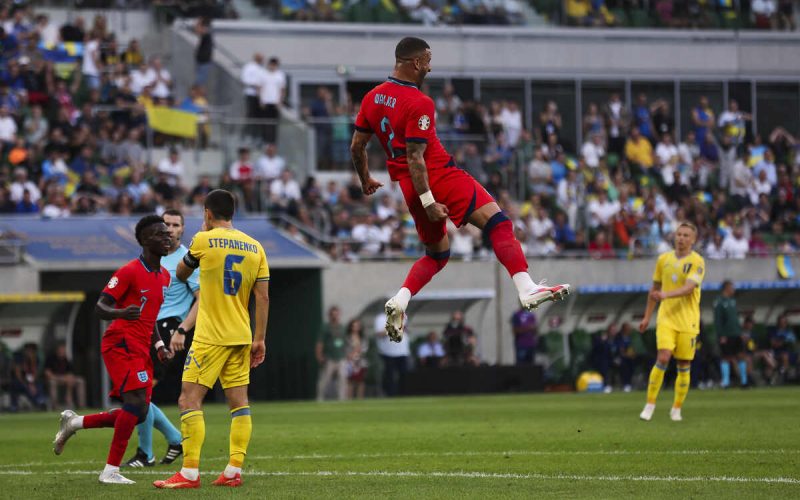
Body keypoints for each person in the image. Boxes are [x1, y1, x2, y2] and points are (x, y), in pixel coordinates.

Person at [350, 37, 569, 343]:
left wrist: (365, 180)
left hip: (408, 187)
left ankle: (401, 299)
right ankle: (526, 288)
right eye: (427, 59)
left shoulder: (372, 97)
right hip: (437, 175)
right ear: (415, 63)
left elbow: (357, 146)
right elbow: (416, 157)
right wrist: (429, 201)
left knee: (437, 255)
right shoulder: (419, 102)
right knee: (499, 223)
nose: (430, 65)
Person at [154, 189, 269, 489]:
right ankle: (233, 469)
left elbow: (180, 274)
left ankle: (189, 472)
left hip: (210, 336)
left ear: (207, 213)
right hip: (242, 334)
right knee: (239, 404)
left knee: (188, 399)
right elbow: (263, 297)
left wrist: (200, 242)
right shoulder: (256, 246)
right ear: (232, 213)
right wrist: (260, 339)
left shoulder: (202, 240)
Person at [52, 215, 173, 484]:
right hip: (120, 341)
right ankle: (110, 471)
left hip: (141, 346)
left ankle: (75, 423)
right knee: (135, 403)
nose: (167, 237)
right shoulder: (129, 271)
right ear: (143, 240)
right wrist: (120, 312)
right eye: (159, 234)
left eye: (168, 234)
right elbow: (100, 306)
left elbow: (149, 317)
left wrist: (160, 344)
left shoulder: (164, 276)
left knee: (140, 411)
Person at [123, 209, 200, 468]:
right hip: (146, 328)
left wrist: (182, 330)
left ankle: (150, 451)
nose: (169, 229)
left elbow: (202, 300)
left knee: (140, 391)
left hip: (167, 329)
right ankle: (168, 442)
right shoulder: (153, 257)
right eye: (165, 224)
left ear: (182, 229)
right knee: (139, 392)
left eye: (175, 225)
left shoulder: (186, 259)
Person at [638, 222, 705, 422]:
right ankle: (649, 404)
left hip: (688, 320)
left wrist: (665, 294)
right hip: (666, 317)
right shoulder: (663, 260)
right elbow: (654, 289)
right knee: (664, 357)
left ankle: (676, 408)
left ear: (693, 239)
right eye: (679, 234)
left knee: (684, 364)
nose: (681, 238)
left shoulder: (697, 261)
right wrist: (647, 316)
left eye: (686, 235)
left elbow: (689, 288)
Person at [714, 280, 748, 389]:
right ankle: (726, 382)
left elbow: (736, 319)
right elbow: (718, 320)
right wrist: (721, 334)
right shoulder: (719, 302)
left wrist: (740, 332)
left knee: (741, 356)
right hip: (726, 335)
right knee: (726, 357)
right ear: (726, 288)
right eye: (732, 288)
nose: (733, 290)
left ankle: (744, 381)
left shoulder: (733, 301)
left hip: (736, 334)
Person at [316, 306, 348, 401]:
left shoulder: (342, 327)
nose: (335, 316)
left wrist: (346, 354)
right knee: (325, 379)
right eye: (333, 315)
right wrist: (319, 355)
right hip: (329, 357)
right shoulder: (325, 328)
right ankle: (319, 398)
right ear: (330, 316)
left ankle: (342, 398)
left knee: (342, 378)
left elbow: (344, 342)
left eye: (336, 314)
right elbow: (320, 343)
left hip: (341, 357)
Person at [44, 342, 87, 410]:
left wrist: (67, 378)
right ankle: (55, 406)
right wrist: (60, 378)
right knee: (52, 382)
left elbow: (71, 373)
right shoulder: (50, 359)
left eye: (64, 350)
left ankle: (81, 406)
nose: (62, 351)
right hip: (55, 379)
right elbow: (48, 374)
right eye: (61, 349)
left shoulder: (66, 359)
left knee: (80, 380)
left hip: (66, 380)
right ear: (57, 350)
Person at [10, 342, 47, 411]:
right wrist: (28, 384)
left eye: (32, 351)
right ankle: (36, 402)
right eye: (29, 350)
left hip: (31, 381)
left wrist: (32, 384)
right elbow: (18, 374)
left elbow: (35, 373)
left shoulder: (36, 359)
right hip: (20, 380)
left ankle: (41, 401)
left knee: (39, 384)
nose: (31, 352)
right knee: (23, 386)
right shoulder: (19, 358)